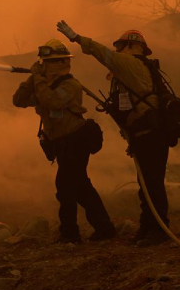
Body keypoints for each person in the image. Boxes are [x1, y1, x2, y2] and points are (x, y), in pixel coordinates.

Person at [55, 21, 171, 247]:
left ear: (131, 47)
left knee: (151, 183)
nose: (117, 51)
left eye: (120, 47)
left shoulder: (129, 62)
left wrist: (76, 38)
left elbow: (103, 53)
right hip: (147, 133)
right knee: (147, 182)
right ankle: (148, 227)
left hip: (150, 134)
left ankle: (158, 230)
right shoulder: (139, 69)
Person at [13, 39, 116, 244]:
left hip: (76, 140)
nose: (44, 66)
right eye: (43, 62)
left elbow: (52, 101)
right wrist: (32, 79)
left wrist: (38, 78)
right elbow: (19, 100)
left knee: (65, 186)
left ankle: (70, 233)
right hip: (61, 143)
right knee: (81, 187)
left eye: (48, 62)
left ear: (62, 62)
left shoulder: (70, 85)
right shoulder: (44, 86)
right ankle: (104, 228)